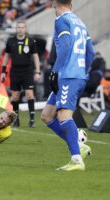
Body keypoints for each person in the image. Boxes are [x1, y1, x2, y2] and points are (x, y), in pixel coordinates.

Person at [41, 0, 95, 171]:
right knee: (47, 115)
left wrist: (55, 71)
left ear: (53, 4)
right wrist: (82, 71)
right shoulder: (80, 22)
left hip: (67, 76)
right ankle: (79, 145)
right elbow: (91, 52)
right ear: (71, 4)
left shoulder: (61, 20)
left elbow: (65, 45)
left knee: (64, 116)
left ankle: (77, 160)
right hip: (76, 75)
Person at [1, 20, 41, 128]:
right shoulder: (11, 41)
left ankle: (32, 120)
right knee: (15, 97)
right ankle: (16, 120)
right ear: (16, 29)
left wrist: (38, 71)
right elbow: (6, 56)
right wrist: (3, 71)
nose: (20, 29)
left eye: (23, 27)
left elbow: (36, 56)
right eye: (19, 27)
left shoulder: (31, 41)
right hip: (15, 71)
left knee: (29, 94)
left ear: (25, 29)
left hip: (27, 71)